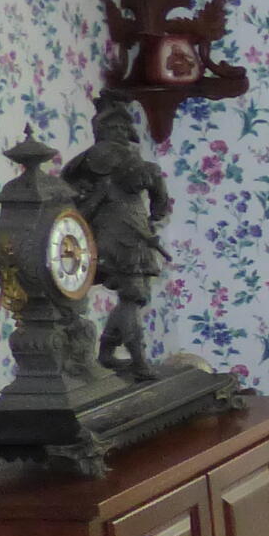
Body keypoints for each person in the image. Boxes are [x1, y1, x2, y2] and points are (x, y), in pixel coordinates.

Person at [65, 94, 174, 380]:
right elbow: (151, 185)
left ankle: (107, 352)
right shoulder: (118, 160)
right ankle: (139, 361)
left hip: (126, 233)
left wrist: (155, 212)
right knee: (133, 294)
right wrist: (157, 206)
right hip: (121, 237)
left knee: (133, 297)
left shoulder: (86, 163)